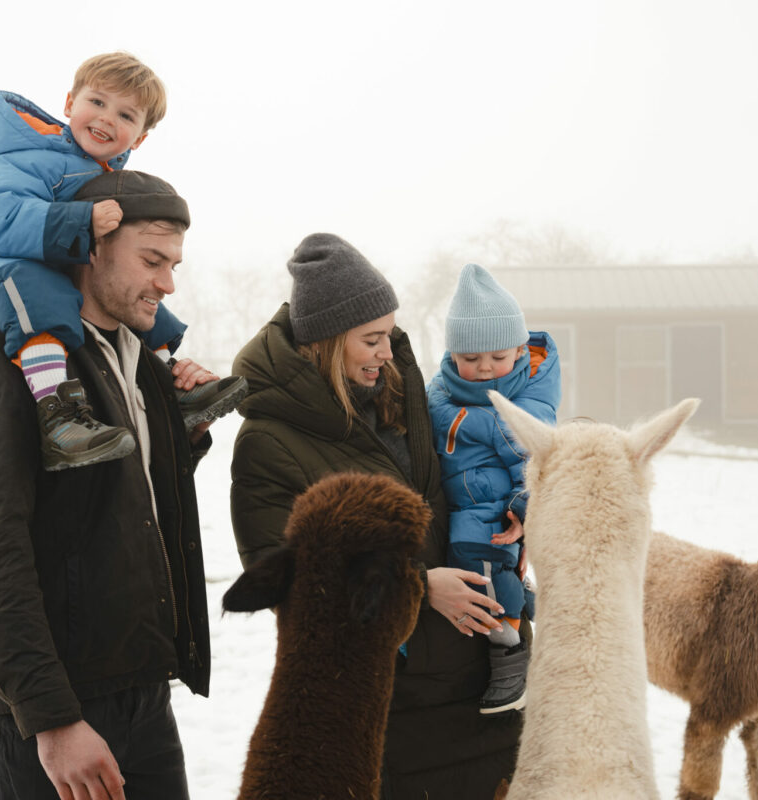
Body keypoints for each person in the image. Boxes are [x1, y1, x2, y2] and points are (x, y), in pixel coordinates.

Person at [230, 233, 529, 799]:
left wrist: (515, 518)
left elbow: (465, 489)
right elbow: (287, 576)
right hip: (390, 699)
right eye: (370, 340)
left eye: (389, 334)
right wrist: (419, 586)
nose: (387, 352)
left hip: (482, 680)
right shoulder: (269, 443)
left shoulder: (405, 395)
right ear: (324, 343)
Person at [0, 170, 215, 800]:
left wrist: (181, 437)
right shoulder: (5, 360)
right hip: (42, 717)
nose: (167, 283)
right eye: (152, 261)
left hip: (142, 693)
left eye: (174, 264)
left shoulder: (142, 362)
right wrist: (52, 718)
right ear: (90, 247)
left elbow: (114, 512)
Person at [0, 51, 245, 471]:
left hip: (45, 269)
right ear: (69, 104)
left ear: (139, 138)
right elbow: (2, 223)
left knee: (139, 295)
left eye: (125, 115)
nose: (105, 119)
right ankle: (58, 415)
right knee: (35, 286)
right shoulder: (22, 155)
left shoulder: (94, 171)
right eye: (97, 102)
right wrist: (82, 219)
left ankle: (166, 381)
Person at [427, 263, 561, 715]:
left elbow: (536, 457)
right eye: (470, 359)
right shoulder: (443, 388)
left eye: (497, 357)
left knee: (474, 548)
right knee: (472, 548)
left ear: (521, 349)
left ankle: (508, 648)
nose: (484, 369)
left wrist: (526, 506)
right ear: (452, 355)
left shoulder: (527, 399)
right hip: (461, 489)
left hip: (498, 502)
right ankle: (519, 596)